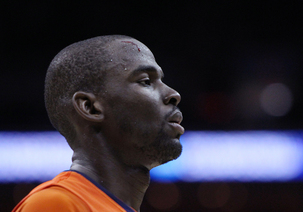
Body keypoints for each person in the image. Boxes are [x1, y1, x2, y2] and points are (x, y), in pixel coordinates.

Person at [12, 35, 184, 212]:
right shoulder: (56, 203)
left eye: (161, 80)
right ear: (90, 107)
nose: (174, 94)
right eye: (146, 81)